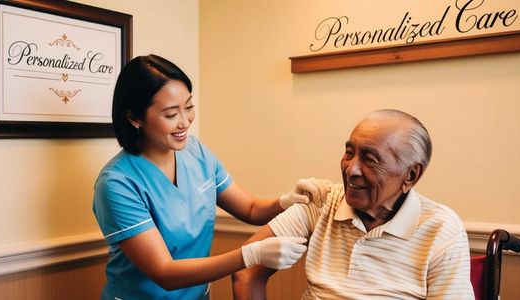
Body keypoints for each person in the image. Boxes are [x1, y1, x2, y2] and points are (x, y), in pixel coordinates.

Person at [92, 54, 332, 299]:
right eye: (171, 114)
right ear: (134, 118)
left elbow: (249, 209)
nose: (185, 122)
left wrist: (285, 201)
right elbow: (164, 272)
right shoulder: (117, 184)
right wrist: (250, 255)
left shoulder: (196, 152)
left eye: (189, 106)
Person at [232, 109, 474, 299]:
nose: (351, 169)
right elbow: (246, 269)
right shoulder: (322, 201)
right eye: (349, 152)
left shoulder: (441, 227)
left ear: (410, 175)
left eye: (370, 159)